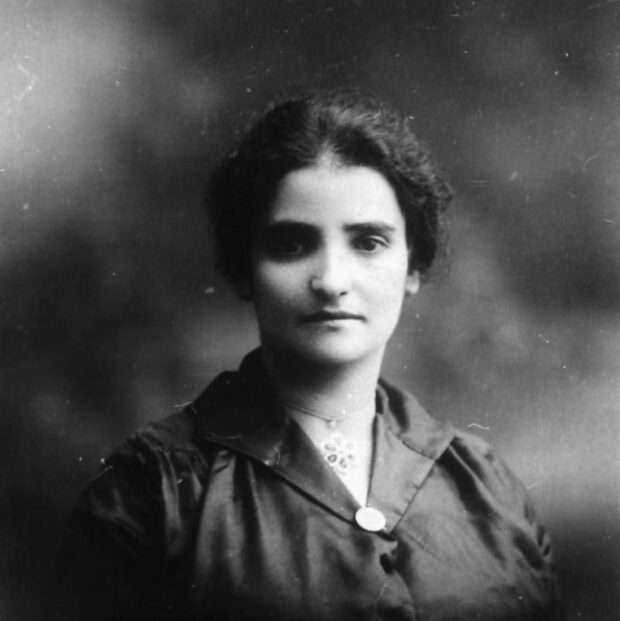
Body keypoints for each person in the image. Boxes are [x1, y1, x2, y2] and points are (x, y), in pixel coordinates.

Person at [61, 91, 563, 620]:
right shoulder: (153, 490)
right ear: (243, 270)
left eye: (368, 242)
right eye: (292, 245)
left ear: (413, 266)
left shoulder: (488, 487)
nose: (331, 281)